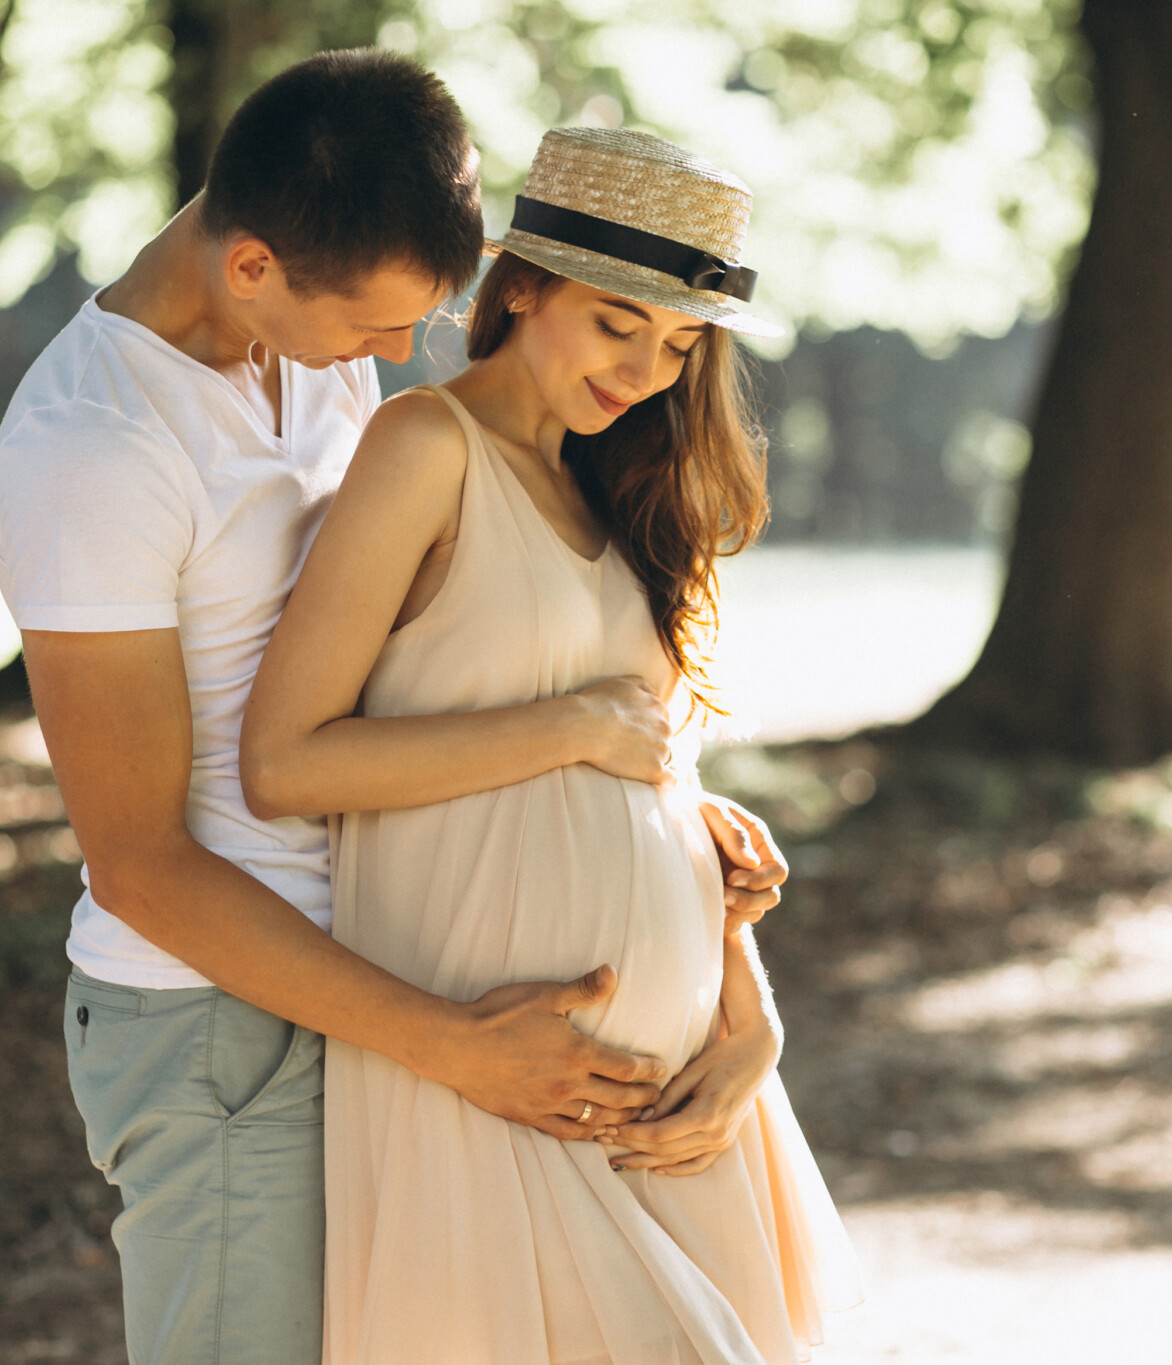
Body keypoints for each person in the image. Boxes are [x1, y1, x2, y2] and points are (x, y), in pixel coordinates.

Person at [0, 55, 791, 1365]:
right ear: (252, 266)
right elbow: (139, 863)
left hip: (391, 986)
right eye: (373, 327)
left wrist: (664, 831)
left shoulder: (308, 350)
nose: (401, 356)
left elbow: (432, 658)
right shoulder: (96, 447)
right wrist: (451, 1046)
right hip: (227, 1022)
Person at [242, 126, 861, 1365]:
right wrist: (566, 728)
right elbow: (287, 760)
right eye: (617, 324)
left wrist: (754, 1023)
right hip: (494, 1069)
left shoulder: (604, 488)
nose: (644, 370)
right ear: (520, 285)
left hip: (685, 1092)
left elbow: (646, 767)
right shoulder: (423, 448)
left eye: (680, 344)